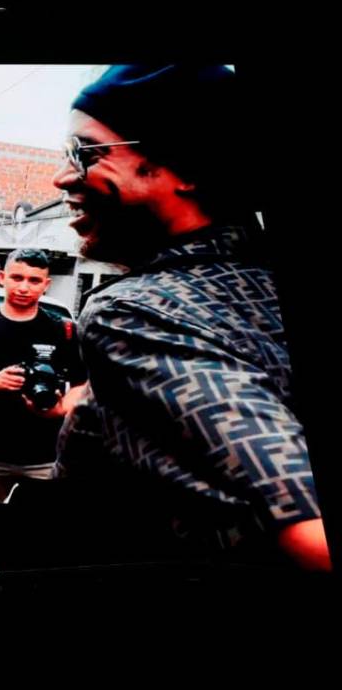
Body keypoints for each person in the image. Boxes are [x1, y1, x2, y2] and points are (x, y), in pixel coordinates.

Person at [39, 65, 328, 570]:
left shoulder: (133, 312)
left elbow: (306, 526)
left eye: (86, 153)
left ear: (188, 168)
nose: (62, 176)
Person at [0, 248, 86, 574]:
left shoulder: (64, 331)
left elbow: (84, 384)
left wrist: (60, 408)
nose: (24, 286)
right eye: (17, 277)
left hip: (46, 453)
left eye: (34, 280)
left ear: (47, 284)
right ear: (2, 278)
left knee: (46, 534)